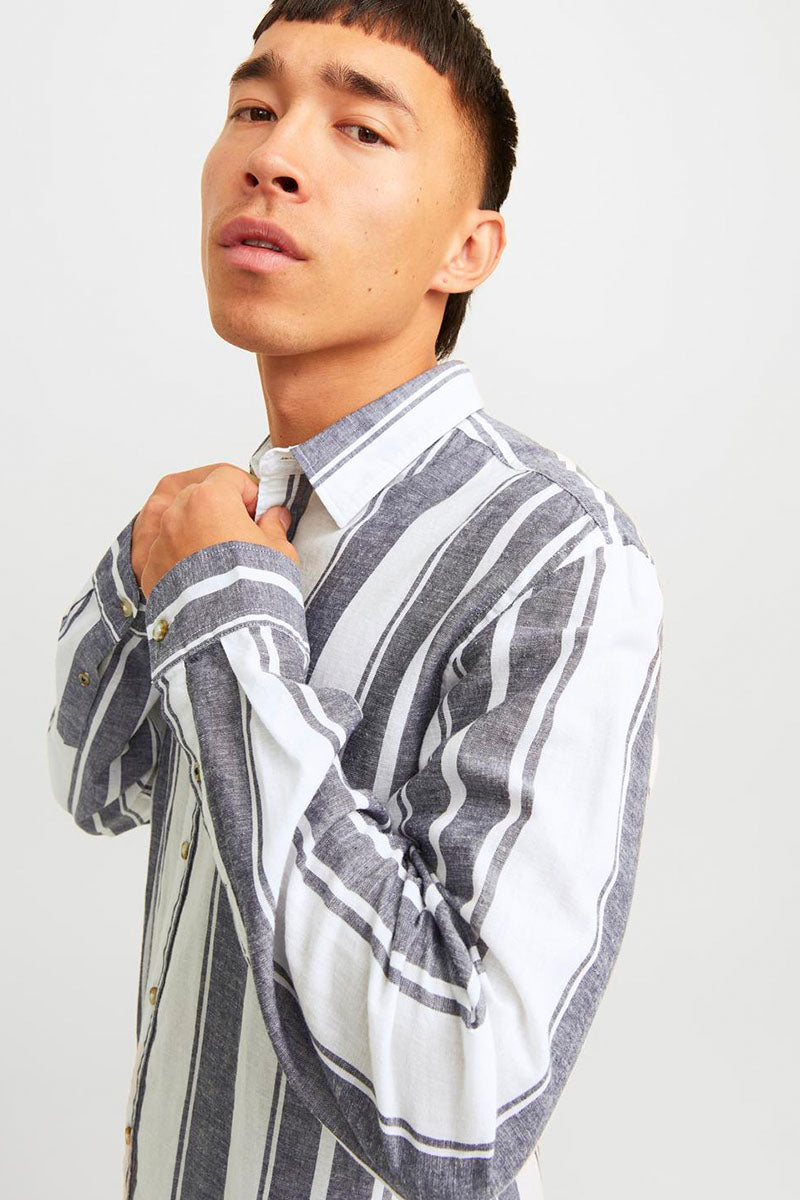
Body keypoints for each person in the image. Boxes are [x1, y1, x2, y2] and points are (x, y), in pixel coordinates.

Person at [46, 3, 664, 1198]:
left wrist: (222, 623)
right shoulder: (229, 519)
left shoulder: (552, 551)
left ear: (466, 250)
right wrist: (153, 563)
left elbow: (463, 1105)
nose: (273, 156)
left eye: (361, 130)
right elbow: (95, 787)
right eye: (254, 108)